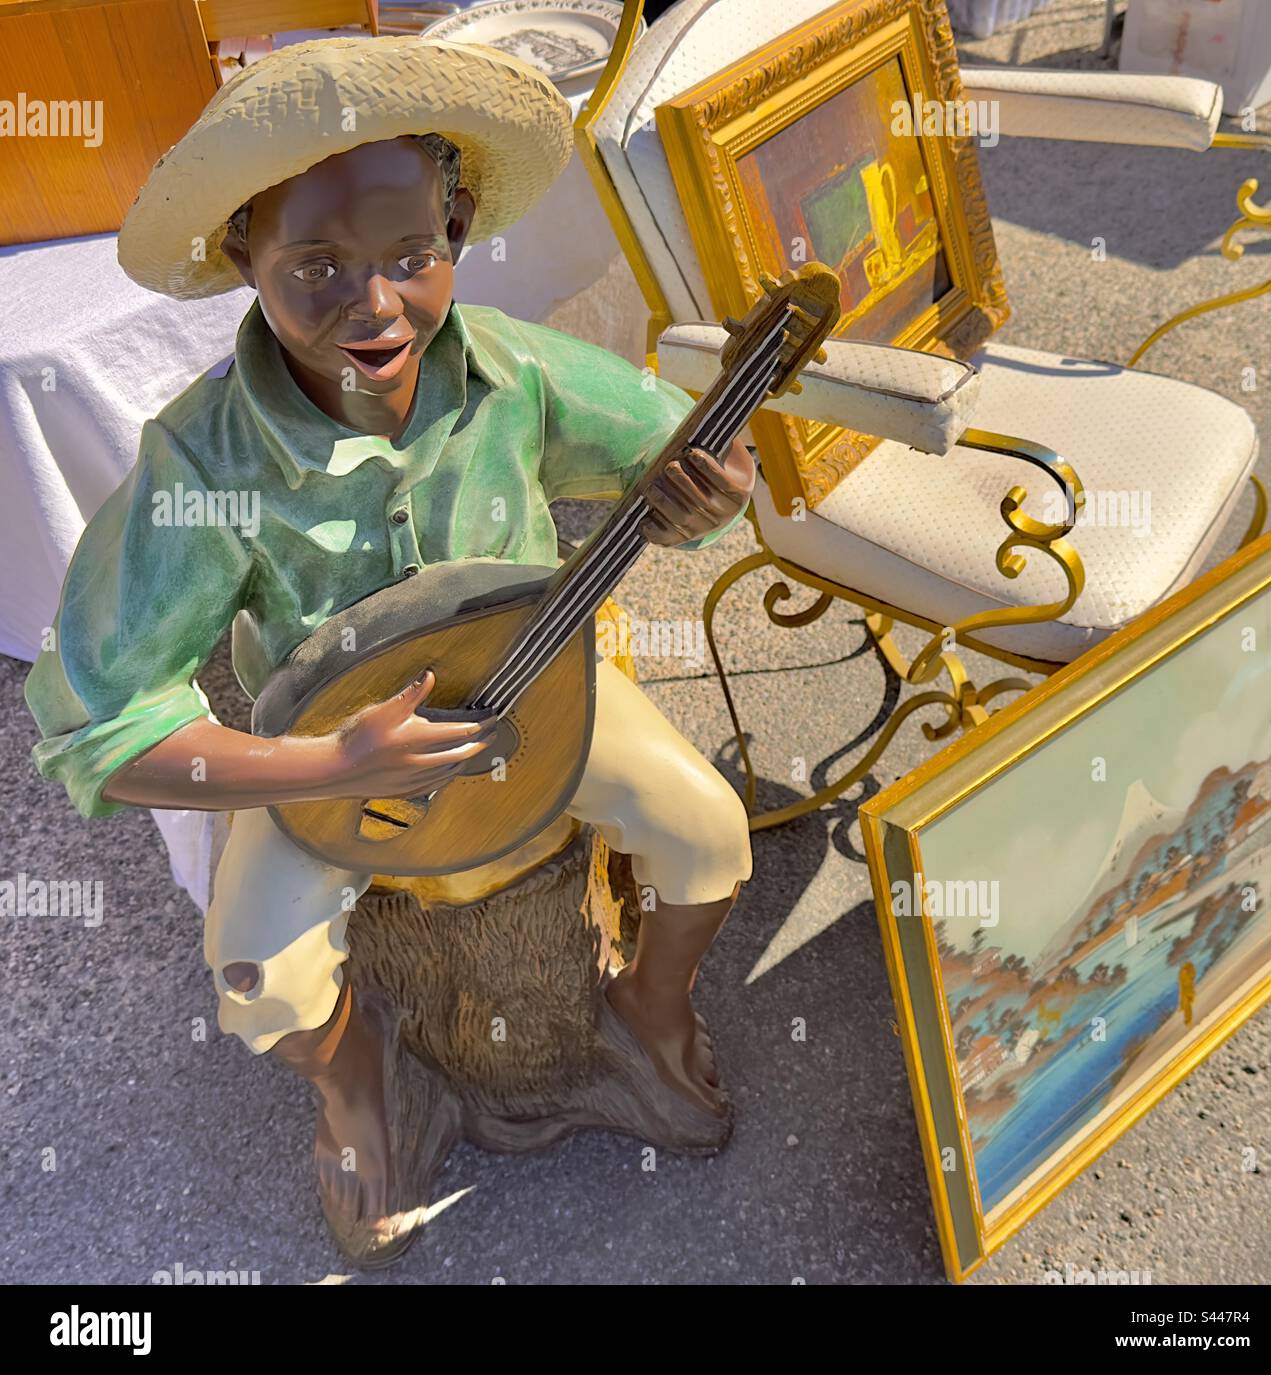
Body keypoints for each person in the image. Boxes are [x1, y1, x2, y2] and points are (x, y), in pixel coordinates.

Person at [25, 36, 754, 1266]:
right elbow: (97, 731)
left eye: (412, 258)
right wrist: (327, 766)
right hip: (327, 743)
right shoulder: (203, 465)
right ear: (242, 257)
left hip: (540, 697)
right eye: (314, 266)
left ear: (456, 232)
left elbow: (672, 453)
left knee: (705, 828)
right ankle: (360, 1086)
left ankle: (646, 1008)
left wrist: (709, 487)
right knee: (256, 969)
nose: (373, 306)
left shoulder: (511, 372)